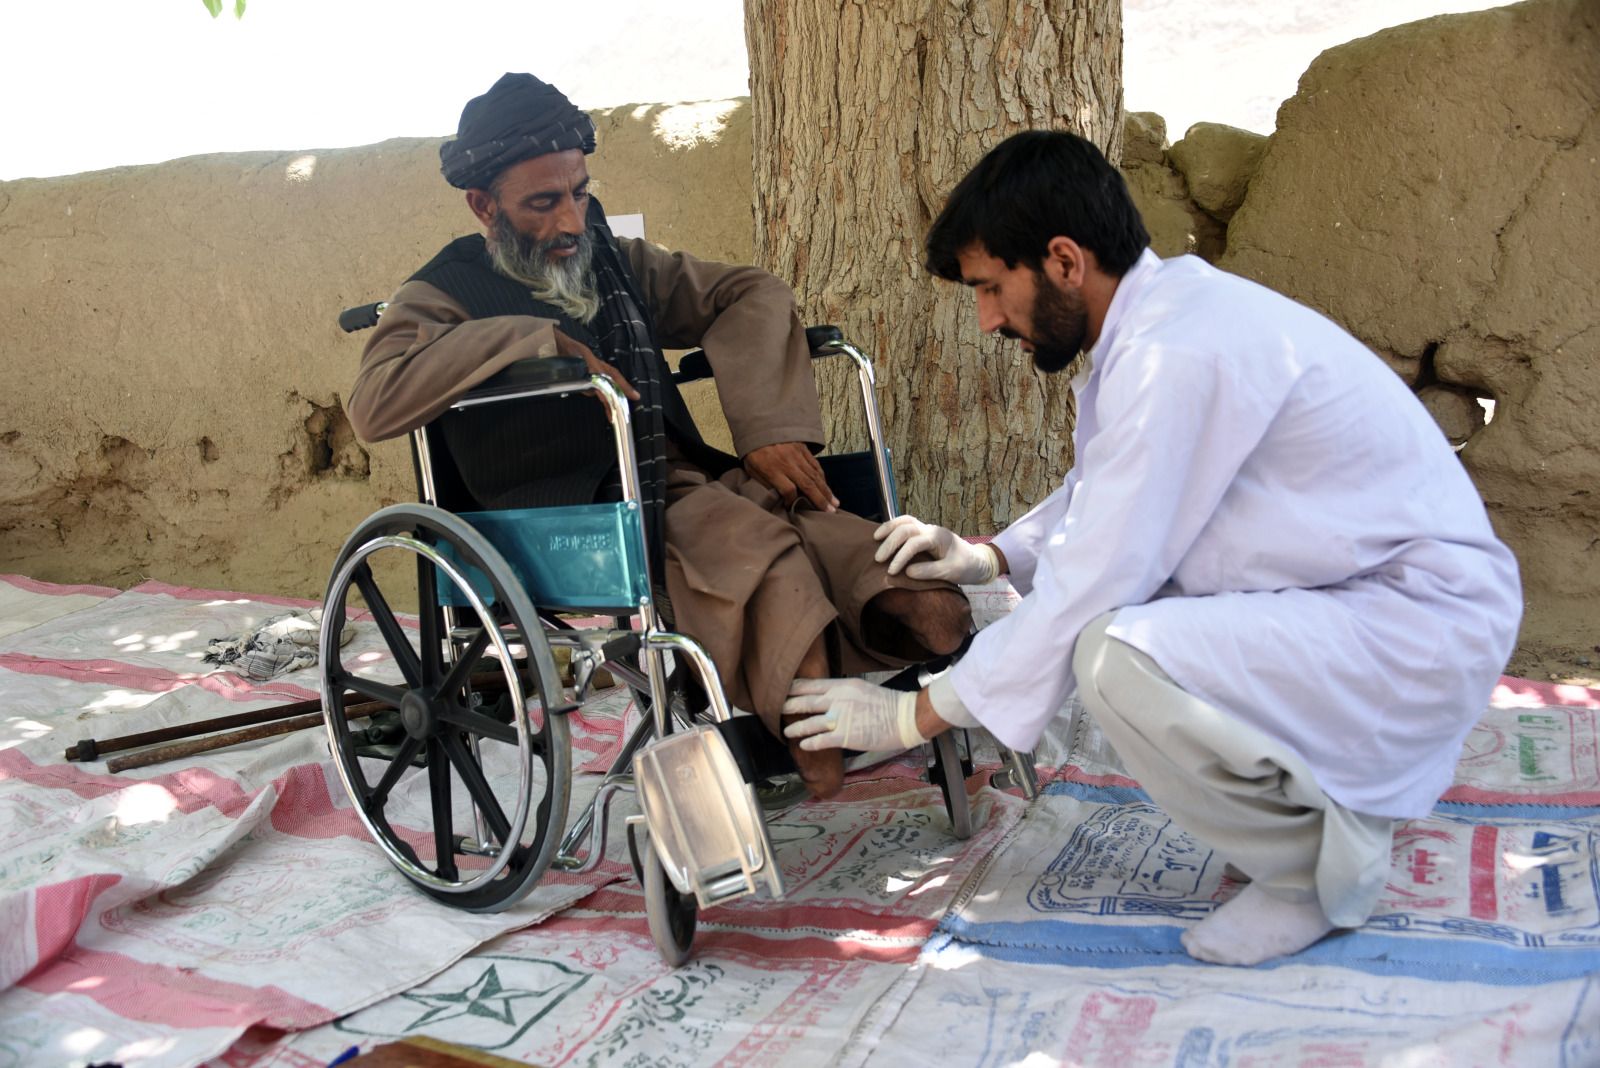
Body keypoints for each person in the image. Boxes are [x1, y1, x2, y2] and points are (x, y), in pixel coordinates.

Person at [781, 130, 1522, 964]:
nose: (988, 319)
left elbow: (1099, 575)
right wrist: (988, 556)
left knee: (1116, 652)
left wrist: (915, 713)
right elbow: (1110, 487)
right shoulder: (1166, 321)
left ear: (1064, 261)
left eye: (992, 288)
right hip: (1370, 604)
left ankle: (1313, 874)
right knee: (1129, 626)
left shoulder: (1178, 351)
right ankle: (1324, 806)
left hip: (1414, 622)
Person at [346, 72, 973, 798]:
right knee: (766, 559)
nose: (571, 221)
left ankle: (906, 696)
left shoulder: (613, 259)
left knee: (900, 582)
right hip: (590, 508)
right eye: (543, 203)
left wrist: (766, 430)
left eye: (578, 192)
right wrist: (530, 338)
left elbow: (749, 292)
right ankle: (813, 757)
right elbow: (374, 402)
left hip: (696, 483)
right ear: (484, 205)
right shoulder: (442, 293)